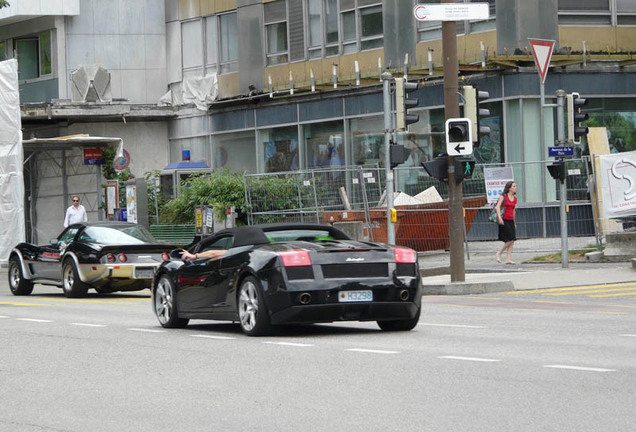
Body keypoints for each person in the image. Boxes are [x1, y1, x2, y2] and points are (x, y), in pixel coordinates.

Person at [495, 181, 518, 264]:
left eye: (516, 186)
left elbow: (513, 210)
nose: (516, 188)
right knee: (509, 239)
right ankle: (499, 253)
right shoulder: (503, 196)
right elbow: (497, 207)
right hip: (504, 219)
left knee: (513, 240)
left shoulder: (515, 198)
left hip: (511, 219)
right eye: (514, 186)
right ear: (509, 188)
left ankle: (508, 259)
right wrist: (499, 217)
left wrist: (514, 222)